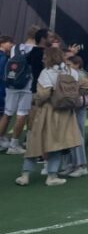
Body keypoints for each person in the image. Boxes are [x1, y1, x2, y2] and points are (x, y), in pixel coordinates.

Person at [17, 45, 88, 186]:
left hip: (46, 111)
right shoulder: (71, 71)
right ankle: (52, 176)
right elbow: (87, 86)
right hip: (65, 113)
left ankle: (25, 175)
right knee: (57, 145)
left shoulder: (47, 72)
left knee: (35, 143)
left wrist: (36, 100)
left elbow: (43, 94)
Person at [2, 27, 48, 155]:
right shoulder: (37, 50)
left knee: (7, 113)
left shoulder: (14, 48)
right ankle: (14, 144)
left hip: (11, 82)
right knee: (22, 114)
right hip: (27, 84)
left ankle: (2, 139)